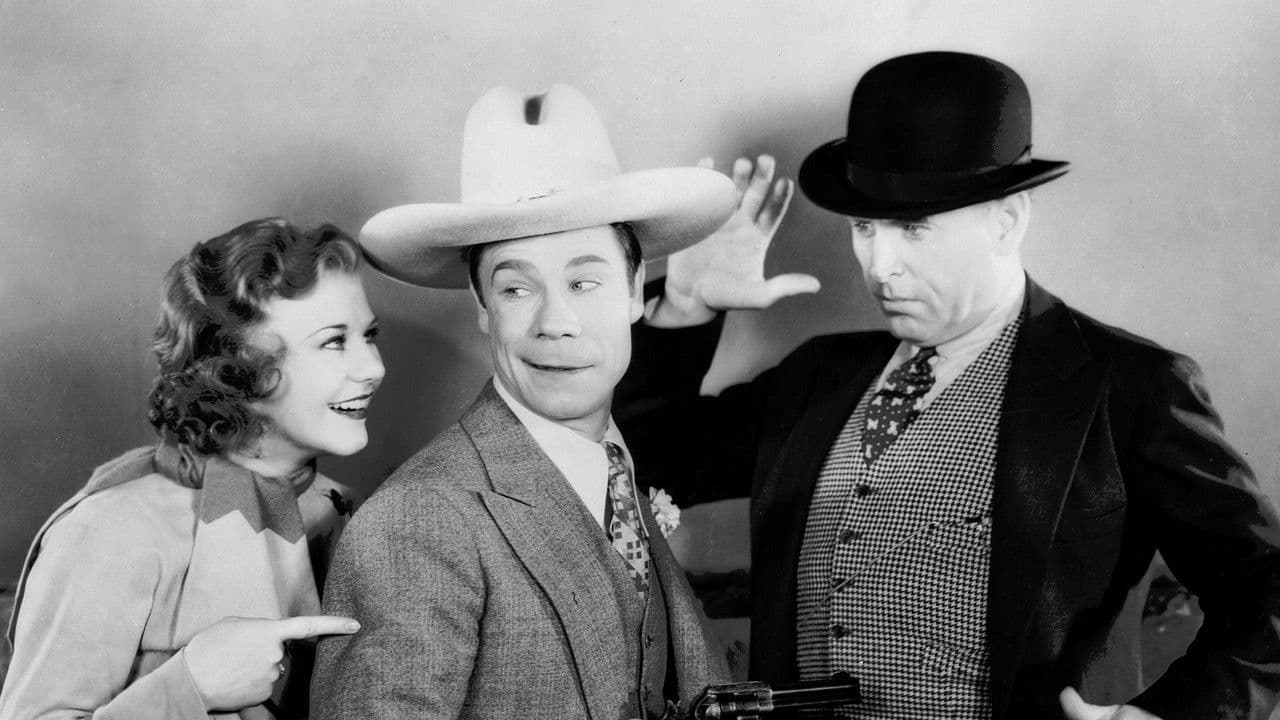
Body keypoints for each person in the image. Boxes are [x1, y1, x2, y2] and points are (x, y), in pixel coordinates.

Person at [615, 52, 1280, 720]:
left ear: (1006, 221)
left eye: (913, 229)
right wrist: (686, 307)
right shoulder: (817, 376)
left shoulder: (1127, 386)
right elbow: (643, 457)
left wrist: (1167, 717)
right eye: (865, 227)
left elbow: (1267, 590)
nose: (880, 265)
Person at [312, 84, 736, 720]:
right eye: (516, 289)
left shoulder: (614, 469)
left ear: (632, 292)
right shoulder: (418, 521)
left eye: (583, 282)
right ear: (483, 307)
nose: (555, 322)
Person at [0, 218, 383, 719]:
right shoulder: (113, 531)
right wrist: (190, 688)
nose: (374, 367)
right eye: (334, 341)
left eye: (369, 335)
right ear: (240, 364)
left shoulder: (354, 514)